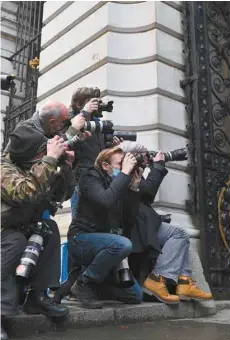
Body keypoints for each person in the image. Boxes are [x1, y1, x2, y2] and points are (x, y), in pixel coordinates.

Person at [117, 141, 213, 305]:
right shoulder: (123, 170)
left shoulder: (131, 170)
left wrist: (150, 167)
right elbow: (148, 191)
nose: (144, 159)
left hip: (142, 222)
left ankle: (184, 282)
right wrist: (158, 166)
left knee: (180, 235)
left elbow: (145, 193)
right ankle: (158, 279)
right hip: (134, 226)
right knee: (179, 234)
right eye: (141, 156)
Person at [1, 128, 72, 340]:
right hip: (5, 230)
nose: (45, 155)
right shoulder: (4, 169)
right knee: (15, 241)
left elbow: (63, 195)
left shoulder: (34, 166)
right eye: (41, 152)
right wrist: (49, 160)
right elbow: (26, 192)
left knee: (48, 228)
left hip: (19, 225)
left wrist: (66, 167)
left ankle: (37, 297)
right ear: (28, 156)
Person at [67, 147, 143, 309]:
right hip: (82, 240)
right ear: (105, 166)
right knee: (123, 244)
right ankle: (84, 282)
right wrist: (124, 174)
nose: (124, 168)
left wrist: (134, 188)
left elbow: (129, 221)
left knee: (134, 295)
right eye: (119, 164)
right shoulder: (90, 177)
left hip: (108, 245)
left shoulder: (120, 185)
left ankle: (96, 287)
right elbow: (105, 200)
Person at [66, 87, 121, 217]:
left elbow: (99, 153)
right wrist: (85, 113)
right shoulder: (71, 120)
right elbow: (67, 142)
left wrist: (111, 146)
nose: (97, 106)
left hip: (98, 177)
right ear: (80, 103)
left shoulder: (96, 124)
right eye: (92, 102)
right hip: (80, 180)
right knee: (80, 219)